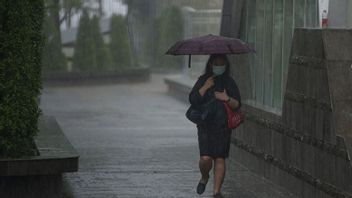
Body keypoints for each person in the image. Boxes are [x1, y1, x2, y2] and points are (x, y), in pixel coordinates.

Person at [188, 54, 241, 198]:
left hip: (223, 127)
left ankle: (216, 192)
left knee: (220, 158)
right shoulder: (203, 80)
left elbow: (237, 105)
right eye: (216, 63)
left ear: (226, 64)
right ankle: (205, 177)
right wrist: (205, 86)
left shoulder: (229, 82)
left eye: (221, 63)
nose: (219, 65)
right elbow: (193, 100)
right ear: (211, 64)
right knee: (205, 158)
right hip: (205, 126)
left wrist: (226, 98)